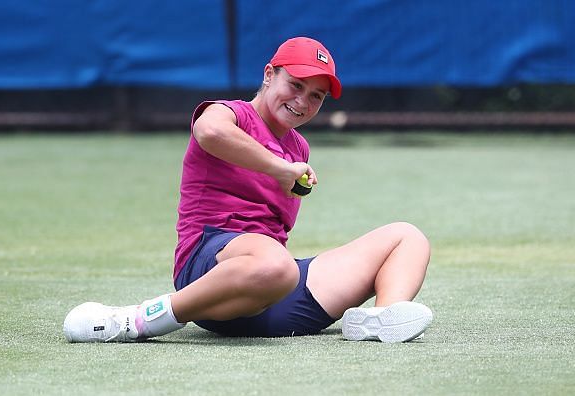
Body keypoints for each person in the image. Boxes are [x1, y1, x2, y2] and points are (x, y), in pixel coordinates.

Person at [63, 37, 433, 343]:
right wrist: (280, 169)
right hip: (209, 270)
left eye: (317, 96)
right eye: (296, 85)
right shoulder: (231, 114)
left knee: (406, 237)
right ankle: (140, 320)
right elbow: (208, 133)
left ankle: (381, 320)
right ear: (269, 75)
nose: (303, 101)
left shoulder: (299, 147)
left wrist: (288, 172)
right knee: (277, 266)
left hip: (272, 292)